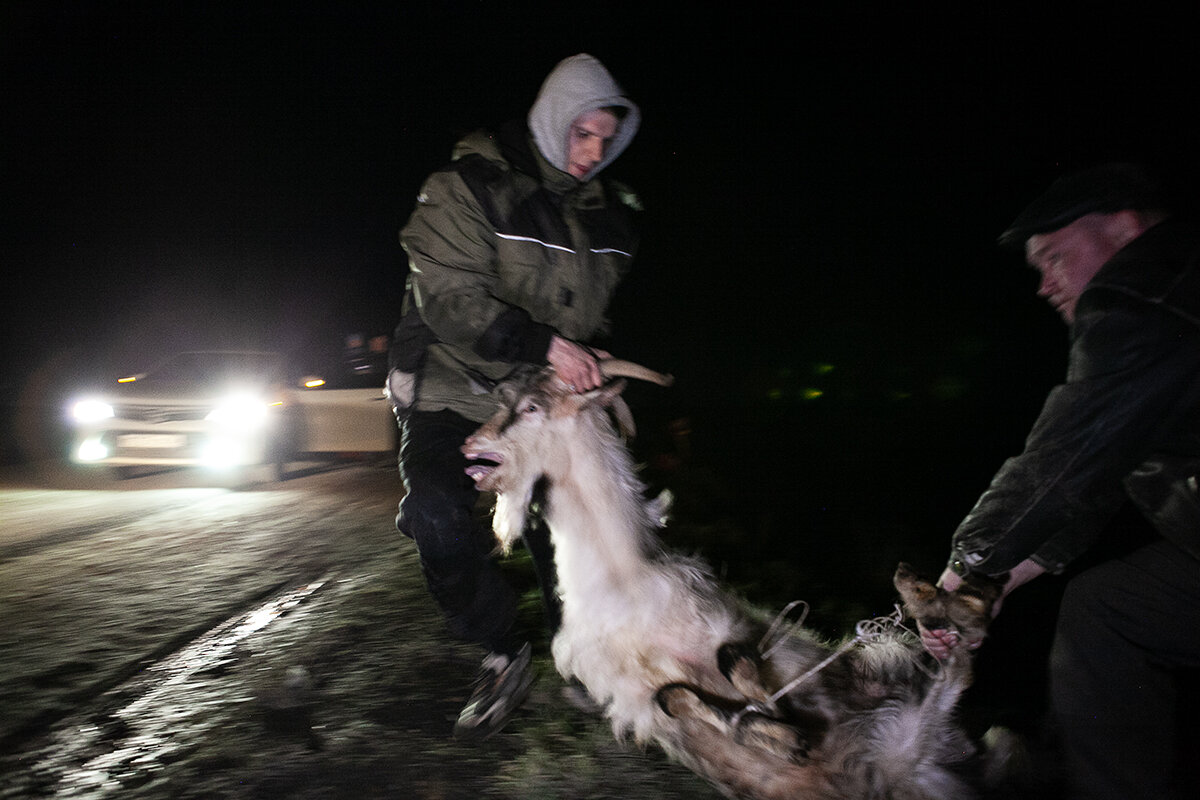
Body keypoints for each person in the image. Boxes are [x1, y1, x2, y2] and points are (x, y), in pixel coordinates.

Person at [920, 162, 1200, 799]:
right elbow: (1096, 477)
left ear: (1126, 227)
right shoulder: (1174, 316)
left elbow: (1068, 454)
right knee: (1111, 610)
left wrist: (967, 566)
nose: (1045, 285)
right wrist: (991, 585)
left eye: (1051, 257)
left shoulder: (1147, 285)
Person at [387, 53, 641, 741]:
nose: (593, 151)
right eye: (581, 133)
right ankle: (501, 650)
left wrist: (587, 367)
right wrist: (544, 346)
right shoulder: (467, 185)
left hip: (539, 404)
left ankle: (580, 659)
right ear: (553, 121)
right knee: (436, 514)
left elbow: (591, 323)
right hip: (451, 390)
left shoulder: (609, 223)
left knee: (572, 526)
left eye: (606, 138)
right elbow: (447, 297)